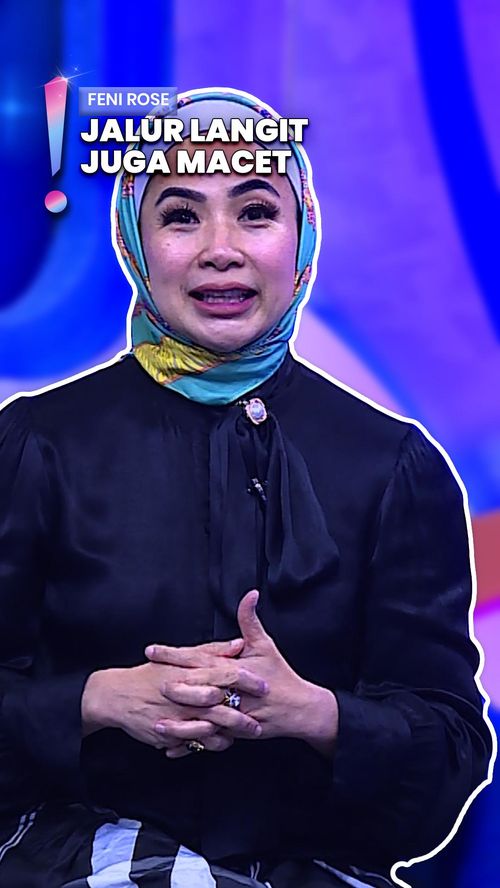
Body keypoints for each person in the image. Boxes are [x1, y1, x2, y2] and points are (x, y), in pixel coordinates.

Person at [0, 87, 493, 888]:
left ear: (303, 237)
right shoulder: (36, 445)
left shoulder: (395, 466)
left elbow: (448, 757)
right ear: (132, 239)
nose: (219, 249)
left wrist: (314, 715)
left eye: (256, 212)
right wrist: (94, 701)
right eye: (181, 216)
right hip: (71, 858)